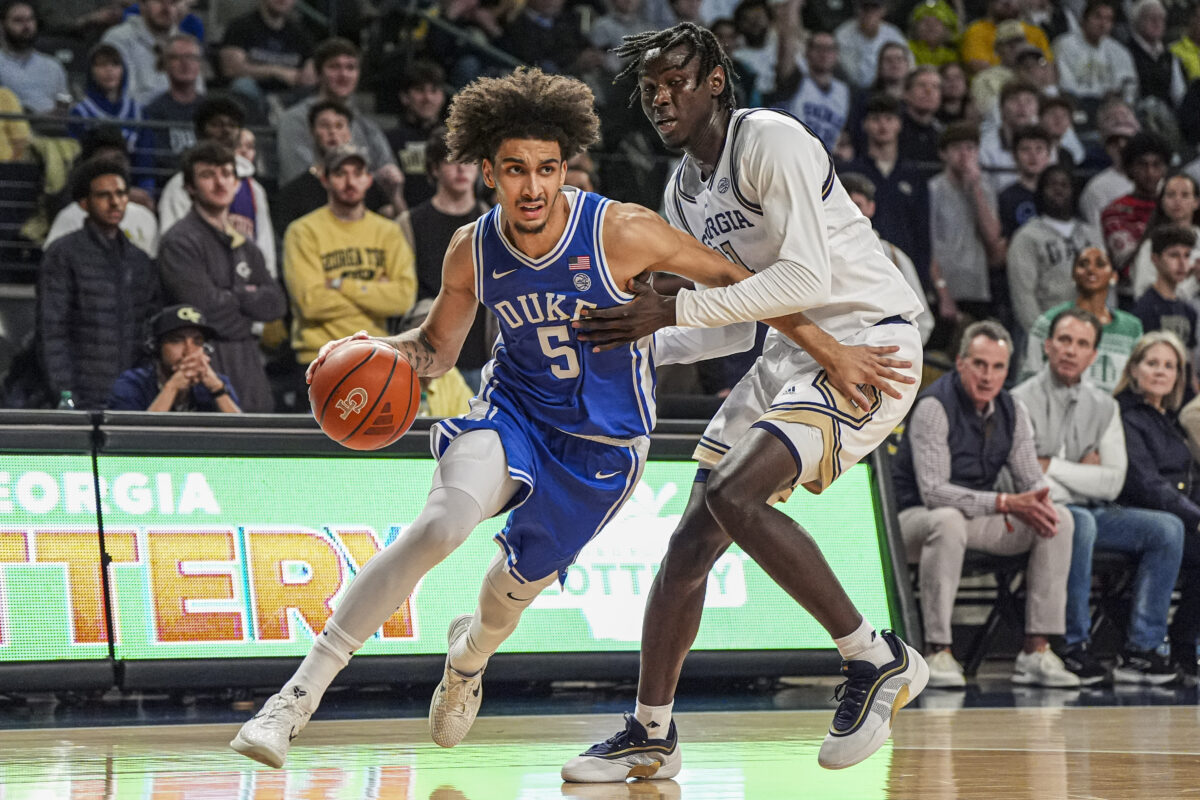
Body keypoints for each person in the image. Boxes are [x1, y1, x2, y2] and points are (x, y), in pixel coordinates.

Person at [231, 65, 914, 772]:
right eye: (515, 170)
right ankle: (293, 701)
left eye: (547, 169)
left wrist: (831, 350)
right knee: (440, 526)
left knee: (501, 605)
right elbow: (436, 349)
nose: (533, 187)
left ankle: (467, 662)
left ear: (564, 169)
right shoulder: (473, 248)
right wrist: (378, 354)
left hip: (601, 448)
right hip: (514, 411)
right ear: (488, 172)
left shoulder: (620, 230)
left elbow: (746, 286)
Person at [563, 22, 928, 779]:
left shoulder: (771, 140)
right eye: (650, 88)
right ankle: (650, 732)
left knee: (734, 493)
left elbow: (803, 283)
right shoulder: (682, 192)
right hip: (786, 354)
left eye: (676, 82)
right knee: (689, 544)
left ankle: (874, 657)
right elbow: (725, 325)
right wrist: (623, 344)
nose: (661, 97)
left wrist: (668, 312)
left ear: (716, 82)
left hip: (867, 345)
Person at [893, 321, 1078, 689]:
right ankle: (938, 650)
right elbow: (934, 492)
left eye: (997, 367)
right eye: (979, 364)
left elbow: (1030, 478)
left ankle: (1036, 651)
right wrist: (1006, 502)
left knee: (1060, 520)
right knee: (947, 520)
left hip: (975, 519)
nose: (987, 375)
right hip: (913, 521)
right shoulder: (934, 406)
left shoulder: (1012, 409)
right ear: (960, 362)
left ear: (1007, 370)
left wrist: (1041, 501)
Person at [1013, 309, 1183, 685]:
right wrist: (1083, 472)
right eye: (1065, 340)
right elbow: (1025, 479)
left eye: (1082, 344)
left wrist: (1052, 464)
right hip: (1041, 513)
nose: (1072, 351)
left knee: (1168, 529)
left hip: (1095, 508)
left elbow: (1112, 482)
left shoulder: (1105, 406)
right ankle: (1073, 645)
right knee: (1080, 521)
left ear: (1093, 355)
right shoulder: (1018, 401)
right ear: (1047, 345)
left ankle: (1142, 649)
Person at [158, 142, 286, 413]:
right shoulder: (179, 241)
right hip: (203, 366)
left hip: (249, 367)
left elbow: (276, 304)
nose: (220, 183)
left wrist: (230, 296)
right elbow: (205, 313)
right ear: (190, 187)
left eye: (227, 174)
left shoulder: (246, 245)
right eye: (208, 175)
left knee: (261, 444)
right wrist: (247, 300)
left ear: (237, 184)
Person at [282, 143, 417, 377]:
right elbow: (310, 303)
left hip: (375, 352)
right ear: (325, 180)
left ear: (369, 179)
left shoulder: (388, 232)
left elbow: (403, 298)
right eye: (340, 173)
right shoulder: (302, 231)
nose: (350, 182)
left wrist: (338, 284)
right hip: (318, 356)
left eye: (358, 173)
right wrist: (377, 293)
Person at [37, 158, 160, 410]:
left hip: (129, 395)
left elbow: (149, 330)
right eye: (104, 195)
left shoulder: (140, 260)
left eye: (121, 193)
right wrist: (65, 396)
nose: (115, 202)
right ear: (84, 203)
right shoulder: (63, 254)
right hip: (81, 395)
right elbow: (52, 332)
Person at [1116, 331, 1200, 680]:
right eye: (1152, 363)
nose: (1161, 372)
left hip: (1179, 516)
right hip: (1143, 516)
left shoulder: (1169, 419)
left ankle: (1184, 643)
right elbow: (1146, 483)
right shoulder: (1125, 417)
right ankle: (1163, 645)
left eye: (1170, 366)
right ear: (1134, 369)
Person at [397, 127, 492, 387]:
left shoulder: (495, 222)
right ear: (434, 168)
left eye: (469, 161)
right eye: (451, 160)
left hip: (483, 354)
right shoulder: (409, 223)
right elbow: (403, 291)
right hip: (430, 354)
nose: (462, 169)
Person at [158, 95, 277, 278]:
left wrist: (267, 283)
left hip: (249, 285)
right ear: (200, 132)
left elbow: (266, 247)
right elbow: (172, 250)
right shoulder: (179, 185)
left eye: (232, 125)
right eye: (216, 124)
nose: (226, 130)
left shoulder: (253, 188)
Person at [276, 38, 402, 189]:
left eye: (351, 68)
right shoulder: (294, 119)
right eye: (334, 67)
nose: (343, 75)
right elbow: (299, 178)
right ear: (319, 73)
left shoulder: (366, 125)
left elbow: (389, 171)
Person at [1020, 246, 1144, 392]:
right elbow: (1030, 376)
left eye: (1100, 264)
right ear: (1073, 275)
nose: (1091, 269)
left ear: (1114, 276)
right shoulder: (1048, 322)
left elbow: (1138, 382)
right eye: (1083, 264)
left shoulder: (1132, 328)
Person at [272, 100, 396, 234]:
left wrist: (396, 193)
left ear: (349, 134)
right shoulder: (293, 193)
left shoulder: (367, 186)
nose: (332, 132)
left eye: (339, 125)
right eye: (324, 126)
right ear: (312, 132)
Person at [928, 121, 1007, 325]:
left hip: (977, 288)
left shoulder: (985, 189)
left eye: (970, 148)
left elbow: (992, 236)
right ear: (943, 154)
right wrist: (942, 293)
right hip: (943, 289)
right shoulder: (932, 190)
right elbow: (927, 245)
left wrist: (976, 190)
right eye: (956, 148)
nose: (964, 155)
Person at [841, 171, 934, 344]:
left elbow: (922, 319)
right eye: (843, 205)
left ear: (871, 207)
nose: (850, 212)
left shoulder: (892, 256)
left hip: (881, 357)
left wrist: (901, 355)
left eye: (857, 205)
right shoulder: (817, 252)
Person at [1007, 164, 1101, 335]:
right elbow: (1023, 295)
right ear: (1041, 191)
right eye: (1052, 185)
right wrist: (1041, 335)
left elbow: (1106, 284)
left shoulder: (1091, 234)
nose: (1058, 190)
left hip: (1090, 328)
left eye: (1064, 185)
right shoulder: (1027, 237)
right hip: (1050, 327)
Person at [45, 129, 160, 257]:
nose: (114, 168)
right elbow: (55, 266)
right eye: (105, 162)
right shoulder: (72, 215)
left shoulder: (144, 217)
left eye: (118, 160)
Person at [109, 304, 242, 412]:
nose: (189, 351)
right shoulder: (132, 383)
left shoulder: (218, 383)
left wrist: (217, 390)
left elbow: (243, 438)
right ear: (155, 346)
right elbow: (133, 439)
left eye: (197, 342)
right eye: (177, 341)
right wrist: (171, 388)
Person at [218, 0, 316, 118]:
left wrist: (307, 74)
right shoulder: (240, 26)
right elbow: (231, 69)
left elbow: (312, 70)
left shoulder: (301, 33)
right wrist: (276, 72)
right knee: (242, 85)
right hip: (254, 95)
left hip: (289, 97)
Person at [101, 0, 203, 105]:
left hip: (179, 117)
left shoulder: (185, 43)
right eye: (159, 1)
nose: (167, 9)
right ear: (142, 5)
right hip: (138, 119)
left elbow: (197, 92)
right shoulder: (118, 38)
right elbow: (122, 96)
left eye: (173, 2)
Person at [1101, 132, 1171, 279]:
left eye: (1156, 165)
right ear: (1129, 169)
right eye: (1142, 165)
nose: (1150, 172)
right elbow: (1127, 268)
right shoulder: (1115, 212)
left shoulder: (1175, 207)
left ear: (1165, 169)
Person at [141, 34, 205, 183]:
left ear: (199, 64)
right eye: (176, 58)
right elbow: (156, 159)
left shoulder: (211, 109)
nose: (185, 63)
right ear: (165, 64)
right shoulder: (153, 111)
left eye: (191, 57)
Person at [1052, 0, 1137, 111]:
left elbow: (1128, 85)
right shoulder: (1064, 44)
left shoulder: (1119, 51)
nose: (1103, 24)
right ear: (1084, 19)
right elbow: (1065, 86)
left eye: (1108, 19)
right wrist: (1099, 94)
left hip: (1111, 108)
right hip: (1077, 106)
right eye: (1098, 17)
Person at [1131, 224, 1200, 356]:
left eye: (1187, 255)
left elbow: (1188, 362)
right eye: (1174, 255)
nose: (1182, 263)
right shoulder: (1144, 309)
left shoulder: (1189, 312)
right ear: (1155, 259)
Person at [1130, 173, 1200, 302]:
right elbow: (1142, 294)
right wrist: (1194, 281)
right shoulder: (1152, 244)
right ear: (1162, 201)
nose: (1177, 200)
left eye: (1185, 195)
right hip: (1168, 318)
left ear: (1196, 202)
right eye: (1171, 195)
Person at [0, 0, 69, 114]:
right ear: (2, 25)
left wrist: (63, 108)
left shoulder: (53, 65)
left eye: (30, 19)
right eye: (18, 21)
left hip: (51, 128)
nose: (26, 26)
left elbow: (65, 101)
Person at [834, 0, 907, 90]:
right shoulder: (842, 34)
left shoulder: (894, 34)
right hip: (851, 89)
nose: (869, 12)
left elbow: (909, 64)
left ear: (883, 10)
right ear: (857, 9)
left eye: (874, 7)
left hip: (886, 88)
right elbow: (851, 75)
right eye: (865, 8)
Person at [997, 124, 1053, 239]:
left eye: (1039, 149)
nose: (1033, 155)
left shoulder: (1059, 194)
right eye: (1025, 149)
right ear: (1014, 156)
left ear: (1048, 155)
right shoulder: (1006, 197)